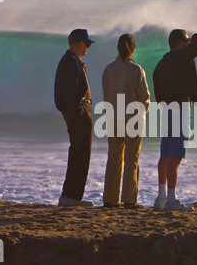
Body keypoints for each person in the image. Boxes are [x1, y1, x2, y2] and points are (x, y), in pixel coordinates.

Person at [152, 29, 197, 211]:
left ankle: (161, 197)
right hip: (180, 107)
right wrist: (192, 39)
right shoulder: (182, 56)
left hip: (166, 108)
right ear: (181, 43)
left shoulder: (162, 63)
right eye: (186, 42)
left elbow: (157, 89)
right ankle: (172, 200)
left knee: (165, 154)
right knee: (175, 157)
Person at [102, 34, 150, 209]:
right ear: (133, 49)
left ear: (118, 48)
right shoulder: (136, 70)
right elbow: (144, 98)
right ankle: (130, 200)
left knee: (114, 158)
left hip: (113, 117)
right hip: (133, 118)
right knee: (132, 159)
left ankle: (110, 199)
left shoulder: (108, 69)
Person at [54, 29, 95, 207]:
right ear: (79, 43)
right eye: (86, 44)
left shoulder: (71, 61)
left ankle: (69, 195)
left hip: (78, 110)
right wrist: (79, 111)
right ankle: (72, 197)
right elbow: (68, 92)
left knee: (77, 152)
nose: (87, 47)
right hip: (78, 112)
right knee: (81, 154)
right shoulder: (70, 62)